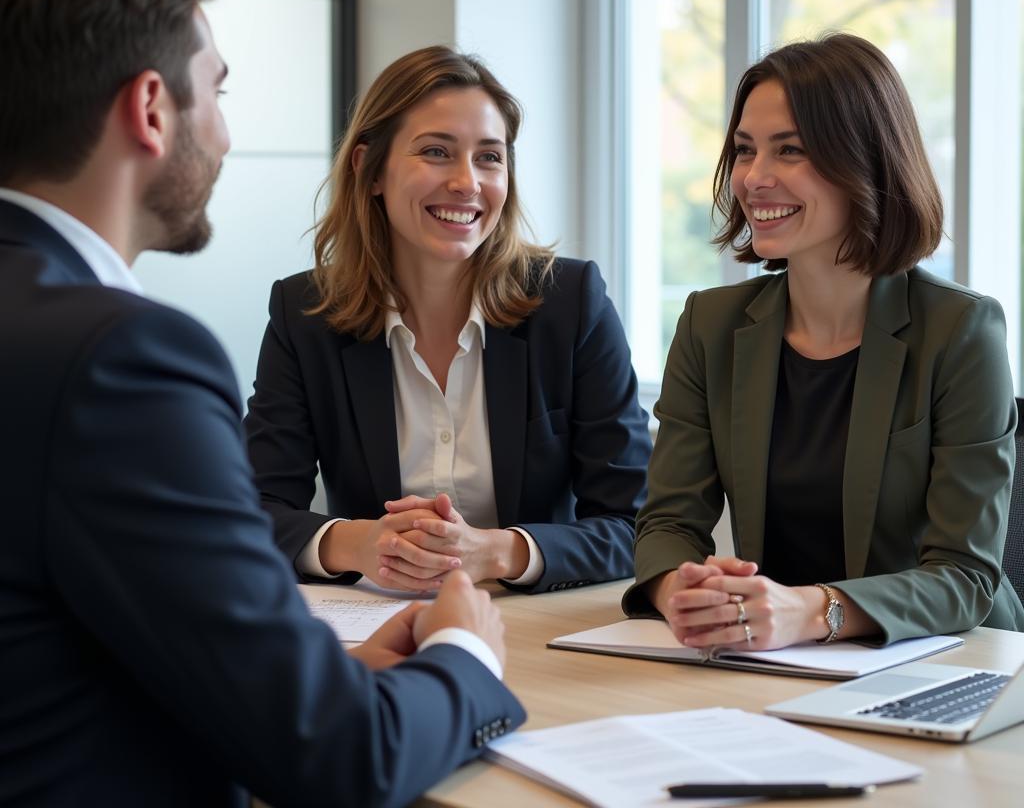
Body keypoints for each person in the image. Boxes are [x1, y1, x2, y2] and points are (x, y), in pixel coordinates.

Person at [0, 0, 524, 808]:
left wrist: (325, 666)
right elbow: (340, 760)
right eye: (221, 89)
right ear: (152, 109)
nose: (228, 131)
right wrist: (466, 653)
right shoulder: (122, 359)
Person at [624, 33, 1024, 650]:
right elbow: (669, 520)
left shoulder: (961, 331)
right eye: (744, 150)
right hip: (777, 655)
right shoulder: (710, 325)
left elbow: (965, 577)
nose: (754, 178)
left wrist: (816, 612)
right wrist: (682, 590)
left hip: (947, 657)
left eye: (791, 151)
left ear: (866, 160)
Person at [245, 45, 650, 594]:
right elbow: (256, 510)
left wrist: (498, 551)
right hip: (380, 626)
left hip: (533, 624)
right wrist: (361, 544)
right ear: (370, 171)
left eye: (490, 156)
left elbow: (636, 524)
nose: (468, 182)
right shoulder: (305, 315)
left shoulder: (571, 302)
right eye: (436, 152)